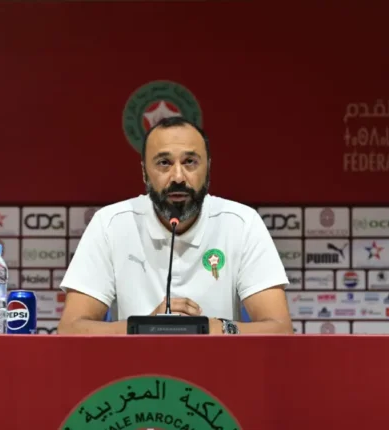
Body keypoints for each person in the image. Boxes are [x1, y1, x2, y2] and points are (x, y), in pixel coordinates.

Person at [57, 116, 292, 335]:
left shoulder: (242, 223)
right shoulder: (110, 224)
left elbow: (280, 329)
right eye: (164, 163)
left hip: (220, 364)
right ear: (144, 172)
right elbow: (71, 328)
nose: (178, 176)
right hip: (137, 365)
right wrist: (146, 328)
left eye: (190, 162)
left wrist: (215, 328)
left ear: (207, 168)